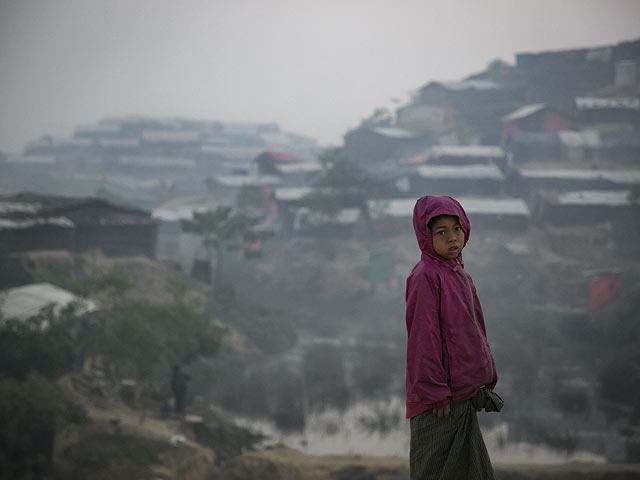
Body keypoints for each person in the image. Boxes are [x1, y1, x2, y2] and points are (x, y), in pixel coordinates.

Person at [405, 195, 502, 480]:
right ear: (425, 236)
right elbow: (424, 341)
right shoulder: (425, 276)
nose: (452, 238)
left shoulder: (459, 274)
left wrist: (483, 380)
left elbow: (474, 331)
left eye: (457, 229)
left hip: (460, 398)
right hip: (438, 405)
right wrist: (435, 393)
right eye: (441, 232)